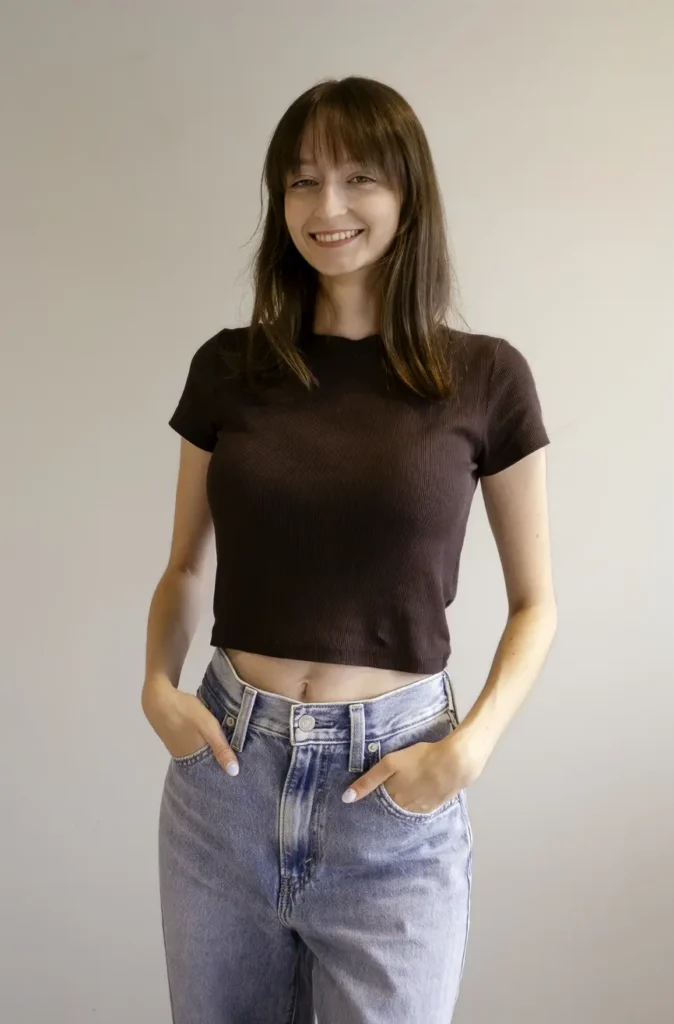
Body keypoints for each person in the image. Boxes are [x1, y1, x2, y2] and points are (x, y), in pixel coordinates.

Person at [141, 75, 557, 1024]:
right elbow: (186, 566)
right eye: (301, 181)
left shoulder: (486, 378)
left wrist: (469, 749)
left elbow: (537, 602)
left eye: (358, 177)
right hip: (226, 784)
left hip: (394, 796)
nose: (326, 206)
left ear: (408, 193)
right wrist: (157, 688)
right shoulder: (229, 367)